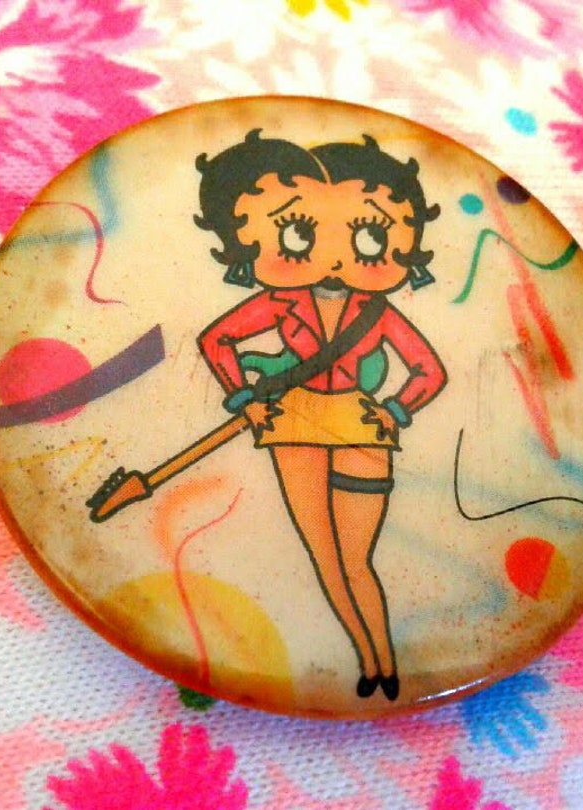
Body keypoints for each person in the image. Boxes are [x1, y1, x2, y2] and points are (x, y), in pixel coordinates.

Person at [195, 130, 447, 701]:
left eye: (369, 236)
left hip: (361, 428)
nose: (335, 260)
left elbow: (428, 371)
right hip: (293, 424)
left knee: (357, 557)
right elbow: (217, 341)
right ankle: (368, 661)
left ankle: (385, 658)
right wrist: (245, 400)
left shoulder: (377, 312)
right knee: (324, 554)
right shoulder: (279, 301)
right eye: (299, 233)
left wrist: (397, 410)